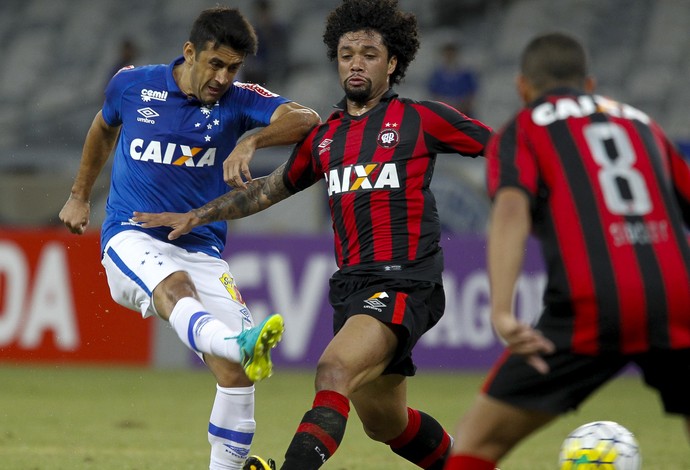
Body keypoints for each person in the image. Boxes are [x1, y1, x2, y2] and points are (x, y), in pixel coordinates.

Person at [132, 1, 492, 469]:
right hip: (353, 287)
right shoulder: (327, 137)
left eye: (368, 53)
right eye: (346, 54)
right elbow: (268, 191)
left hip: (405, 281)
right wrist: (197, 215)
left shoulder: (421, 120)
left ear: (393, 63)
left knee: (333, 370)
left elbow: (502, 149)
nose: (356, 63)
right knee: (387, 423)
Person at [58, 6, 320, 470]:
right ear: (189, 52)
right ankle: (237, 341)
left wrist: (251, 140)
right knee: (177, 287)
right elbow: (103, 128)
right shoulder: (133, 84)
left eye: (233, 68)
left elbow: (306, 117)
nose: (222, 77)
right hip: (131, 237)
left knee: (237, 378)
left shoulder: (239, 100)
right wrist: (79, 196)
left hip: (201, 247)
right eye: (215, 64)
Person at [443, 32, 690, 470]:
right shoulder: (642, 123)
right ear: (590, 85)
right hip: (679, 299)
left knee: (476, 444)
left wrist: (502, 311)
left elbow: (511, 212)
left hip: (594, 301)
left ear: (522, 87)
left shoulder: (523, 128)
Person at [426, 41, 479, 117]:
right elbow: (433, 94)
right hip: (443, 113)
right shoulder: (436, 75)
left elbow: (472, 94)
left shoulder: (466, 74)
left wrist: (462, 106)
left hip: (464, 113)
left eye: (452, 54)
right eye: (447, 54)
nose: (450, 56)